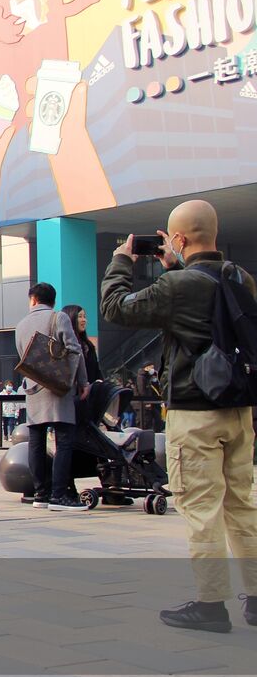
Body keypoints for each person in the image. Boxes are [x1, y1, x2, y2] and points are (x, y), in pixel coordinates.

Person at [101, 199, 257, 632]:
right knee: (243, 503)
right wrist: (175, 267)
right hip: (240, 409)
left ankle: (211, 605)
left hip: (195, 410)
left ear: (181, 239)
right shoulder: (239, 277)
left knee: (201, 507)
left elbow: (117, 307)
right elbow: (204, 315)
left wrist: (120, 261)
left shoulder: (180, 287)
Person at [15, 283, 89, 510]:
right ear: (53, 301)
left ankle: (40, 494)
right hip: (57, 387)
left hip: (33, 388)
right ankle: (59, 495)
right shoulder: (59, 318)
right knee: (64, 441)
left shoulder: (21, 324)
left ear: (34, 299)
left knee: (35, 442)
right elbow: (74, 350)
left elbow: (22, 356)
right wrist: (82, 382)